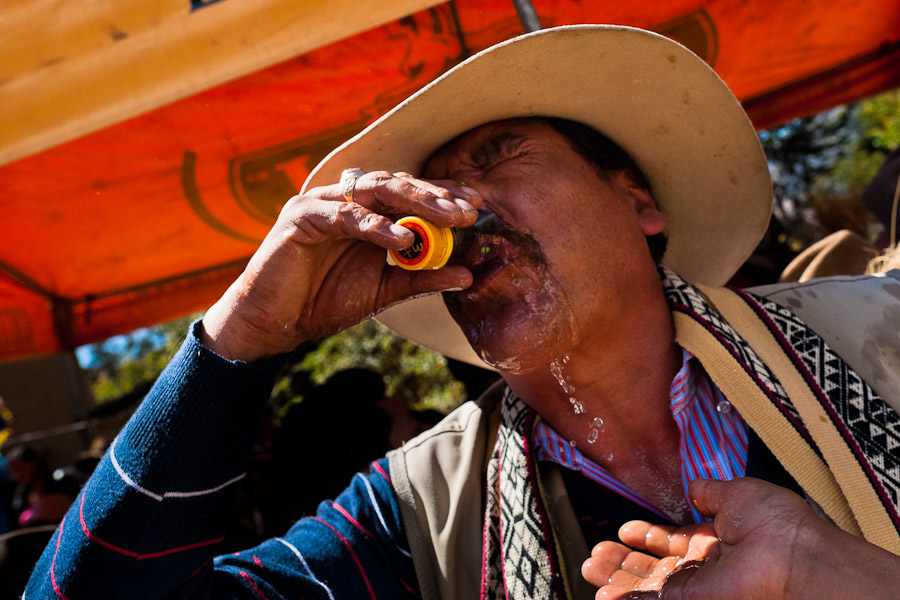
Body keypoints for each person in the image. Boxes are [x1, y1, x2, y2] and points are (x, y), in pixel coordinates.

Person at [25, 25, 900, 599]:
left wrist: (830, 570)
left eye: (500, 154)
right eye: (434, 192)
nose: (458, 207)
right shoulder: (416, 517)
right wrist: (240, 341)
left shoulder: (878, 338)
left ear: (637, 199)